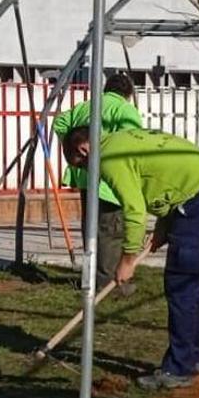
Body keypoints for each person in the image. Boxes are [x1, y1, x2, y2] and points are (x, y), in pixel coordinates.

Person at [61, 126, 199, 390]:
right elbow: (163, 178)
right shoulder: (122, 140)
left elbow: (134, 211)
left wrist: (127, 261)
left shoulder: (108, 158)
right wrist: (165, 225)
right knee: (189, 283)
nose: (87, 172)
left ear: (84, 150)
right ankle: (190, 358)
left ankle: (179, 368)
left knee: (182, 283)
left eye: (81, 166)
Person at [51, 73, 143, 290]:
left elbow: (60, 122)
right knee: (111, 232)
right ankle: (108, 283)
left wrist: (75, 145)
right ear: (128, 94)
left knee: (91, 229)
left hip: (85, 177)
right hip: (110, 182)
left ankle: (89, 277)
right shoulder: (124, 110)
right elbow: (133, 141)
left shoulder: (86, 107)